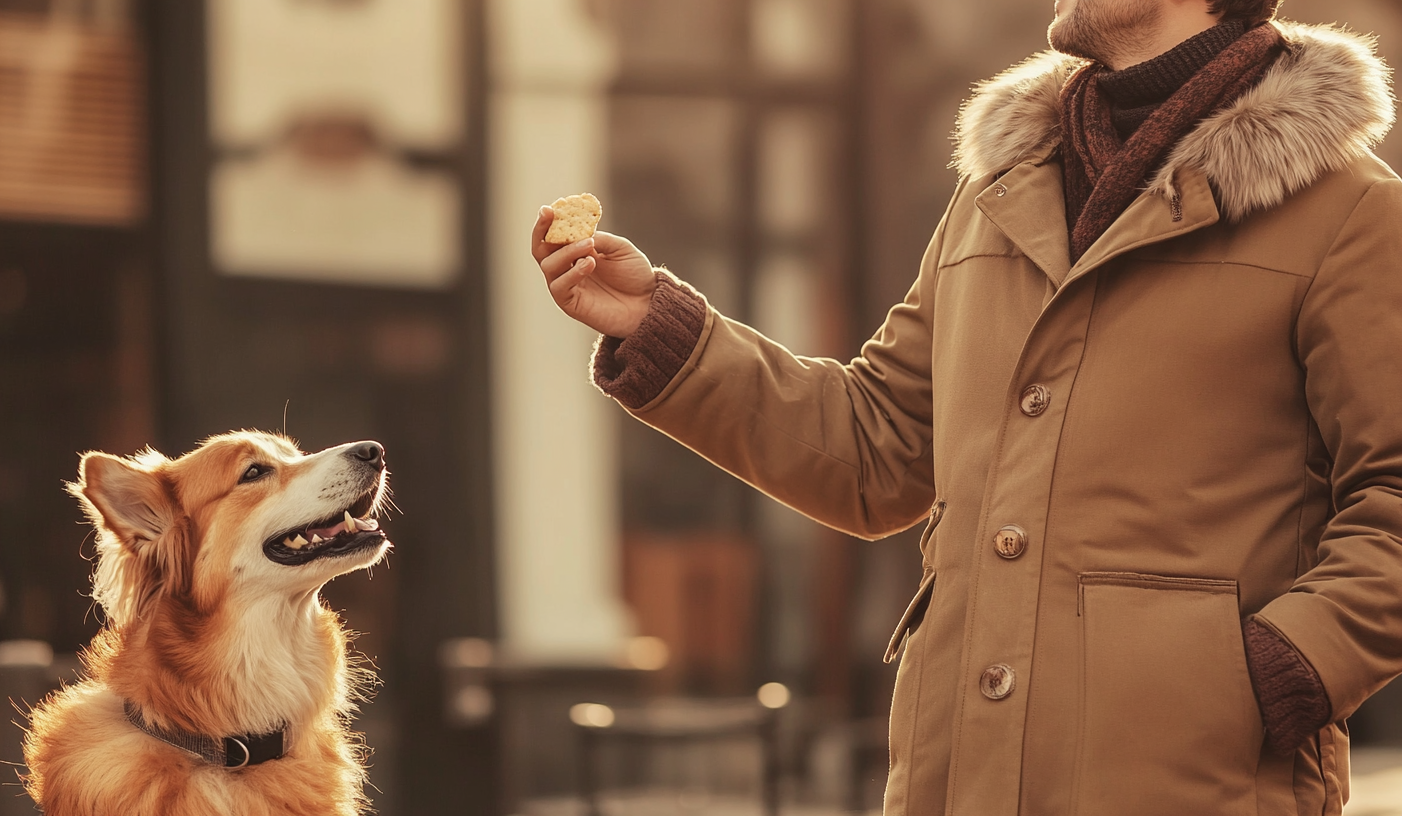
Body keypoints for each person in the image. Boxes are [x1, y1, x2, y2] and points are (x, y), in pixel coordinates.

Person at [531, 0, 1402, 813]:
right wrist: (665, 332)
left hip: (1194, 784)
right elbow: (878, 450)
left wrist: (1275, 674)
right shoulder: (1002, 192)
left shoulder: (1350, 212)